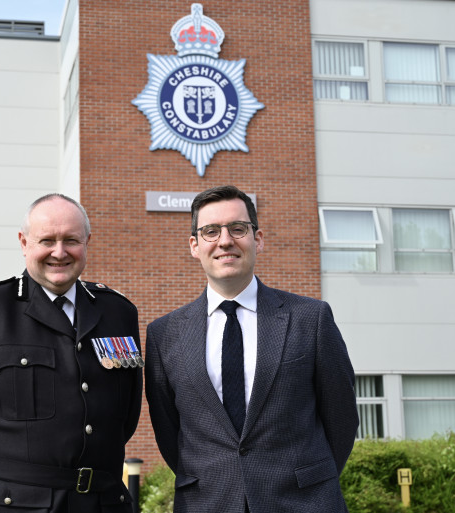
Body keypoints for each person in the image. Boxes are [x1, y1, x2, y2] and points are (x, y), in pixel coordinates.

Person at [0, 193, 143, 513]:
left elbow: (125, 416)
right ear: (24, 243)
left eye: (71, 240)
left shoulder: (118, 312)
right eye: (47, 240)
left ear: (87, 242)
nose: (59, 252)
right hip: (12, 505)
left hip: (102, 502)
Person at [145, 185, 358, 513]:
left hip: (303, 502)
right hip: (207, 503)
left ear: (257, 239)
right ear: (194, 245)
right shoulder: (164, 335)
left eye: (238, 229)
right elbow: (169, 430)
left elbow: (341, 417)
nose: (225, 241)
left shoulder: (310, 319)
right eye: (211, 231)